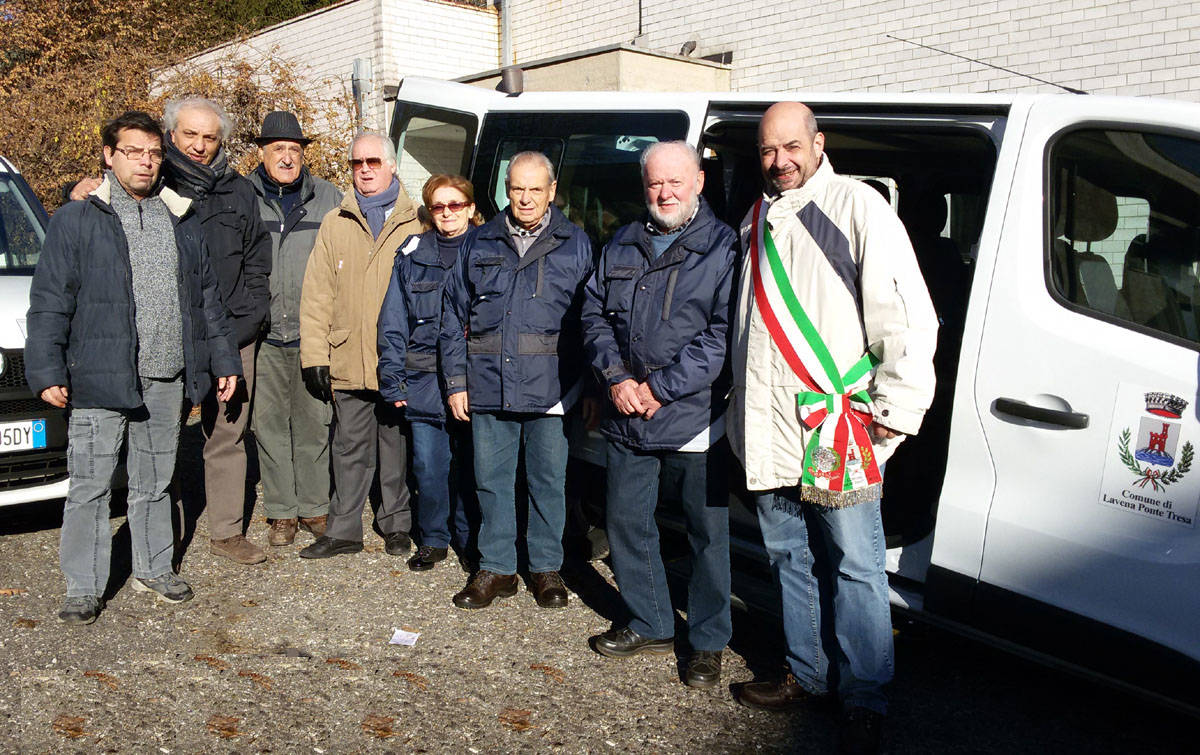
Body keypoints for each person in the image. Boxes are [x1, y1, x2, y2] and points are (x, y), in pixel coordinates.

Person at [727, 102, 938, 753]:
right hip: (769, 426)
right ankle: (808, 673)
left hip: (837, 431)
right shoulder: (756, 215)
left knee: (855, 567)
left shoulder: (857, 207)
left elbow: (907, 321)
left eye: (792, 146)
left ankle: (864, 698)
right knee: (790, 558)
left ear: (818, 143)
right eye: (768, 150)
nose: (780, 160)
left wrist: (893, 419)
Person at [25, 111, 241, 624]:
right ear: (109, 155)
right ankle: (83, 585)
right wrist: (47, 369)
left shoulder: (180, 217)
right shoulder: (76, 220)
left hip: (165, 376)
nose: (145, 162)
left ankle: (153, 566)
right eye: (133, 152)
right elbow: (50, 301)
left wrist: (223, 357)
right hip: (99, 376)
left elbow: (205, 297)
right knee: (91, 485)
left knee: (156, 480)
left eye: (151, 152)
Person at [69, 98, 272, 565]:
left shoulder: (237, 190)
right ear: (171, 136)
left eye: (210, 137)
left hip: (232, 332)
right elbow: (98, 210)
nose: (199, 146)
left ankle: (225, 530)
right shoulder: (150, 179)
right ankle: (167, 534)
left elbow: (257, 255)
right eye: (189, 135)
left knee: (227, 433)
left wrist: (252, 312)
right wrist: (71, 189)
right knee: (163, 436)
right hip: (170, 334)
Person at [581, 141, 737, 689]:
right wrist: (616, 378)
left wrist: (660, 389)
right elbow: (594, 316)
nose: (665, 193)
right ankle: (651, 621)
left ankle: (708, 641)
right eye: (654, 184)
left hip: (694, 418)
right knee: (626, 520)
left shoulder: (724, 248)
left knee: (705, 536)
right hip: (629, 414)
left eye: (676, 181)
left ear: (697, 180)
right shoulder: (622, 242)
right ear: (643, 186)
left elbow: (722, 336)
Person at [440, 151, 593, 610]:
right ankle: (498, 568)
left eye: (535, 189)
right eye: (517, 188)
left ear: (552, 191)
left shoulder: (576, 243)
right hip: (487, 385)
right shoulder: (480, 241)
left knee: (548, 481)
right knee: (491, 480)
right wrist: (455, 381)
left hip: (553, 388)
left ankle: (546, 567)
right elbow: (452, 314)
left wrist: (592, 387)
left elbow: (593, 322)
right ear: (507, 190)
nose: (525, 198)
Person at [298, 133, 422, 559]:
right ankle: (344, 529)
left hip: (397, 360)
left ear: (391, 165)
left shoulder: (416, 221)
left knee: (395, 448)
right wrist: (314, 355)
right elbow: (317, 293)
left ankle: (396, 524)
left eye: (372, 161)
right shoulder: (337, 221)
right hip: (348, 354)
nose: (364, 169)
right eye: (356, 163)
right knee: (348, 447)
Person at [247, 112, 343, 546]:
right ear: (262, 152)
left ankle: (315, 506)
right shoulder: (243, 195)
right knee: (267, 426)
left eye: (294, 150)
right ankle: (282, 511)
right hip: (262, 333)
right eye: (278, 149)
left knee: (313, 422)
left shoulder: (328, 198)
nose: (287, 158)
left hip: (311, 333)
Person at [378, 174, 483, 572]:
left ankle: (469, 538)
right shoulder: (412, 253)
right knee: (429, 465)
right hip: (422, 380)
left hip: (475, 380)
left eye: (456, 205)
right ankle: (434, 538)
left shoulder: (489, 250)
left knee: (472, 465)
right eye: (439, 206)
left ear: (471, 209)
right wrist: (392, 377)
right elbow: (393, 320)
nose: (448, 213)